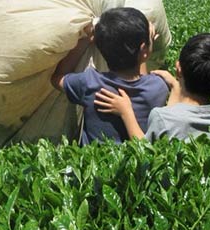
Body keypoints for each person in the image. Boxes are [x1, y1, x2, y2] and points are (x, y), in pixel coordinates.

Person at [51, 7, 169, 145]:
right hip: (136, 159)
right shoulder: (158, 87)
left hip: (97, 162)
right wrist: (146, 45)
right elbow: (144, 78)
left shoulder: (89, 83)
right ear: (144, 51)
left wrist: (84, 41)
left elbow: (57, 78)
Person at [94, 33, 210, 142]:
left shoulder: (162, 118)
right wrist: (175, 85)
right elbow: (177, 116)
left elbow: (143, 149)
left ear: (178, 68)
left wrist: (126, 112)